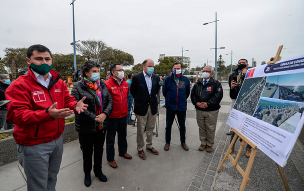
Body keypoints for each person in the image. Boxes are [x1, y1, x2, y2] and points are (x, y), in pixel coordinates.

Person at [5, 44, 88, 191]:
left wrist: (75, 105)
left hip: (57, 140)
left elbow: (67, 99)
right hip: (34, 144)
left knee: (52, 177)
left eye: (47, 59)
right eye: (38, 58)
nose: (44, 62)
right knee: (38, 184)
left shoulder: (59, 82)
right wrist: (47, 114)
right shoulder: (19, 85)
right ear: (28, 60)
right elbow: (16, 115)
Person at [71, 60, 113, 187]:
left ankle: (98, 171)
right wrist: (94, 117)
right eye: (94, 71)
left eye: (98, 71)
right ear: (86, 73)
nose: (97, 74)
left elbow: (109, 101)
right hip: (86, 126)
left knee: (99, 149)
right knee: (87, 151)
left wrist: (104, 114)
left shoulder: (102, 85)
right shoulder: (77, 87)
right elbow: (76, 107)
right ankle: (87, 173)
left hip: (101, 125)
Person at [130, 59, 160, 160]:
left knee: (150, 128)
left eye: (153, 66)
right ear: (143, 66)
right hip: (141, 107)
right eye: (149, 66)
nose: (151, 68)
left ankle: (149, 146)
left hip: (152, 107)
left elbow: (156, 91)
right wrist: (140, 100)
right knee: (141, 129)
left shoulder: (155, 77)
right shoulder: (137, 77)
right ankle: (140, 148)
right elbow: (133, 91)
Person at [105, 63, 132, 168]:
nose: (122, 72)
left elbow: (126, 97)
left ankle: (123, 151)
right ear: (113, 72)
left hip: (123, 115)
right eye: (119, 70)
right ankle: (110, 158)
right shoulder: (107, 84)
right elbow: (105, 101)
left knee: (123, 136)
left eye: (122, 70)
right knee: (110, 138)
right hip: (112, 117)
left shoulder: (125, 83)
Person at [191, 66, 223, 153]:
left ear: (212, 73)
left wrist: (207, 104)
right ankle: (203, 143)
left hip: (211, 111)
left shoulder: (216, 84)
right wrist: (196, 103)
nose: (204, 72)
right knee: (202, 127)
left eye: (207, 71)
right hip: (199, 110)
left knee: (210, 128)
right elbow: (193, 94)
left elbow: (218, 96)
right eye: (203, 71)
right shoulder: (198, 83)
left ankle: (209, 144)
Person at [162, 62, 190, 151]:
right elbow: (164, 92)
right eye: (175, 68)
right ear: (172, 69)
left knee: (182, 126)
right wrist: (170, 100)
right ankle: (167, 142)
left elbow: (187, 92)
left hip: (181, 107)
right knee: (168, 126)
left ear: (181, 69)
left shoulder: (185, 80)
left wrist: (181, 100)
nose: (176, 70)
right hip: (170, 107)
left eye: (178, 68)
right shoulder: (167, 79)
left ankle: (183, 142)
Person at [229, 64, 252, 158]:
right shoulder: (238, 81)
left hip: (251, 109)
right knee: (236, 127)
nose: (243, 76)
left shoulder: (254, 82)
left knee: (249, 130)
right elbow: (233, 96)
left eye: (246, 74)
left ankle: (248, 148)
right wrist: (232, 88)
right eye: (243, 74)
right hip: (240, 108)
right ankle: (232, 146)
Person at [226, 59, 249, 135]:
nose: (241, 64)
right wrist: (232, 87)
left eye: (243, 63)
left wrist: (246, 75)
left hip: (247, 98)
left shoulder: (251, 73)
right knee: (234, 114)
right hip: (235, 97)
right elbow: (230, 86)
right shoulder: (232, 75)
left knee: (246, 114)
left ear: (247, 65)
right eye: (240, 63)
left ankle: (244, 130)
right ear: (237, 64)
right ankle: (233, 129)